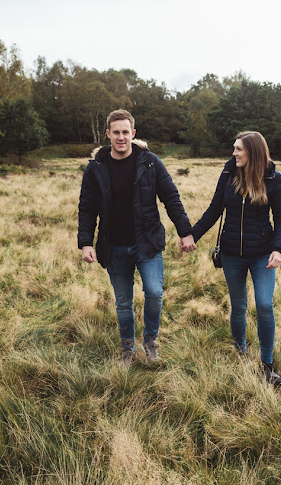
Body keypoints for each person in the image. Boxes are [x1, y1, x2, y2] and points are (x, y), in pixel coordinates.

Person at [78, 109, 196, 366]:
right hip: (114, 247)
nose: (121, 137)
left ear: (133, 133)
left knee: (154, 292)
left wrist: (185, 231)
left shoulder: (150, 162)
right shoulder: (96, 168)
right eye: (116, 132)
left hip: (147, 244)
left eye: (125, 132)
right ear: (108, 134)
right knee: (123, 302)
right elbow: (87, 208)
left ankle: (150, 342)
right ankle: (128, 349)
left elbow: (171, 198)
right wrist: (86, 242)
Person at [189, 131, 281, 386]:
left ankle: (267, 365)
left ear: (252, 152)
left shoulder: (273, 179)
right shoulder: (228, 176)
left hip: (263, 254)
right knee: (239, 306)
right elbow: (214, 210)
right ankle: (240, 351)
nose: (234, 153)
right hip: (232, 252)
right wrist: (192, 236)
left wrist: (278, 248)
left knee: (265, 306)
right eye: (234, 148)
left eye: (238, 149)